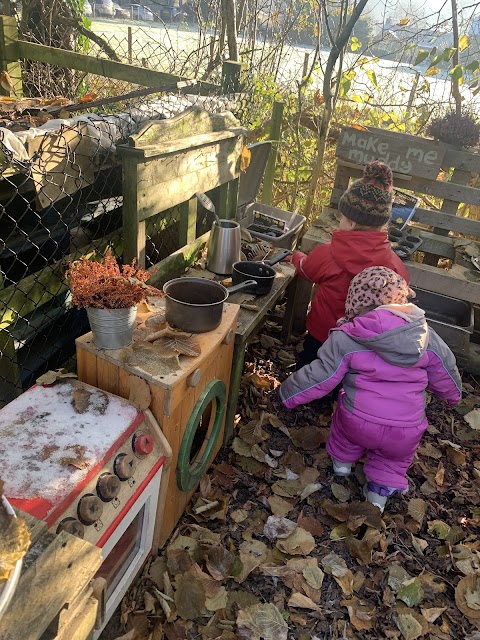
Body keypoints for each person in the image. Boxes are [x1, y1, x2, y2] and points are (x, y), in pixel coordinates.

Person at [279, 266, 462, 512]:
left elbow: (320, 375)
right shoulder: (426, 336)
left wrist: (287, 393)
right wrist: (453, 397)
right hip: (406, 427)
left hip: (358, 420)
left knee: (344, 423)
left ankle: (342, 463)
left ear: (355, 304)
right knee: (393, 459)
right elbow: (446, 370)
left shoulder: (349, 336)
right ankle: (378, 496)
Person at [291, 160, 410, 369]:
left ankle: (303, 392)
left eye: (342, 217)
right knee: (347, 372)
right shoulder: (394, 265)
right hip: (362, 342)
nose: (340, 222)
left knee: (312, 364)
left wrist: (295, 257)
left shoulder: (329, 253)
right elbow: (402, 291)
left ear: (352, 223)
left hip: (323, 332)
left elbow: (306, 270)